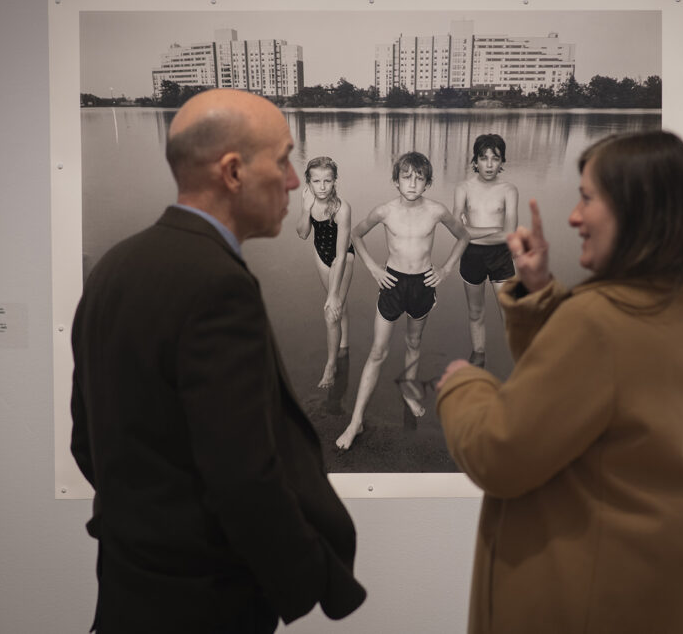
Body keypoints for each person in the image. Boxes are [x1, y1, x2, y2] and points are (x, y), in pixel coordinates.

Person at [70, 89, 366, 634]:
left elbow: (86, 443)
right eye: (283, 161)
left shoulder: (114, 267)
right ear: (232, 172)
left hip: (126, 592)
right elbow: (245, 471)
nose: (296, 181)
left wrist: (148, 524)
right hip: (204, 603)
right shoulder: (218, 287)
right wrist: (308, 578)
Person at [436, 130, 683, 634]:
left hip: (579, 596)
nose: (573, 217)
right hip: (651, 583)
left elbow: (496, 454)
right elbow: (580, 392)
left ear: (638, 210)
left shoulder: (598, 324)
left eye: (587, 199)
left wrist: (465, 386)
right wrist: (540, 291)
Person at [336, 151, 469, 450]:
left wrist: (446, 268)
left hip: (422, 285)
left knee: (413, 344)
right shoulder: (385, 211)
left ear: (427, 183)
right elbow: (356, 235)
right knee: (378, 352)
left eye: (419, 178)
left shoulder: (436, 211)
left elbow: (463, 236)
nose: (412, 184)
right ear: (396, 181)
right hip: (392, 283)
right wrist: (372, 267)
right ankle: (356, 421)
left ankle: (409, 392)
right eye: (406, 177)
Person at [454, 133, 518, 368]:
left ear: (502, 162)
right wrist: (492, 228)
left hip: (501, 256)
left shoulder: (509, 190)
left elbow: (509, 235)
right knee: (475, 312)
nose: (489, 164)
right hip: (471, 256)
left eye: (495, 158)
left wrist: (471, 230)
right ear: (475, 161)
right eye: (484, 158)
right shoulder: (463, 188)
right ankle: (479, 355)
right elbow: (456, 229)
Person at [296, 156, 355, 388]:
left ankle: (330, 366)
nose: (321, 187)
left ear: (334, 181)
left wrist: (332, 293)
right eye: (316, 181)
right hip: (320, 255)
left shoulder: (342, 209)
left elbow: (340, 255)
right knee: (340, 304)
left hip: (343, 257)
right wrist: (305, 208)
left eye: (327, 181)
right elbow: (302, 233)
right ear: (308, 182)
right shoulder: (308, 199)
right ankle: (344, 345)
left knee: (332, 310)